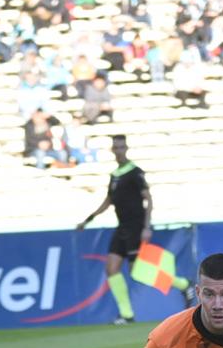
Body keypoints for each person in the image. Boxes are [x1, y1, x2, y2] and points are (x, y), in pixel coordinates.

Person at [75, 135, 196, 324]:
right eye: (116, 147)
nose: (119, 150)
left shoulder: (135, 172)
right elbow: (108, 201)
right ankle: (126, 314)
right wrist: (88, 220)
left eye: (122, 147)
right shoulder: (115, 175)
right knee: (111, 268)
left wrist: (146, 227)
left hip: (135, 226)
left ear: (126, 148)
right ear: (113, 150)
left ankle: (182, 284)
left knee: (136, 270)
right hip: (122, 227)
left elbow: (148, 199)